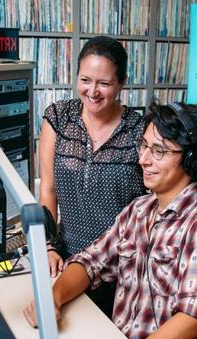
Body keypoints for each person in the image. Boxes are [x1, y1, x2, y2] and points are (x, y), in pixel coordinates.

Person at [23, 103, 197, 339]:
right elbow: (91, 262)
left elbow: (191, 319)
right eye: (144, 146)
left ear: (194, 160)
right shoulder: (140, 210)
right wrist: (54, 296)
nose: (143, 159)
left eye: (159, 151)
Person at [39, 36, 146, 317]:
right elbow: (48, 190)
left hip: (120, 267)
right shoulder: (59, 118)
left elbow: (163, 195)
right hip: (66, 259)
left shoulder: (139, 130)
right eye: (85, 80)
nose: (93, 91)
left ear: (122, 83)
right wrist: (48, 247)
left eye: (104, 83)